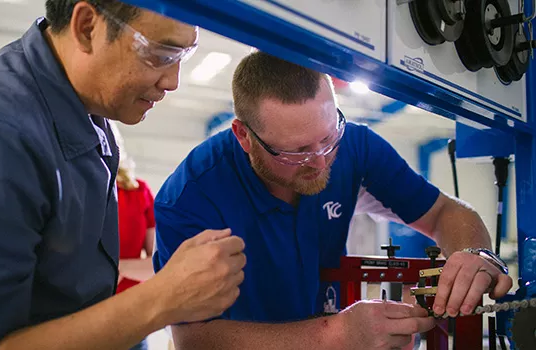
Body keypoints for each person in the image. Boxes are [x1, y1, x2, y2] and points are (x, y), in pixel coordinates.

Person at [0, 1, 247, 350]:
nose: (172, 81)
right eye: (160, 54)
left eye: (182, 56)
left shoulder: (90, 114)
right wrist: (162, 300)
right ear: (86, 27)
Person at [153, 51, 513, 349]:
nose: (321, 160)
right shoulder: (191, 196)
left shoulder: (356, 147)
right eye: (296, 152)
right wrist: (336, 334)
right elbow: (192, 338)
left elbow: (443, 213)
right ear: (244, 136)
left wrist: (472, 253)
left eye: (328, 137)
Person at [112, 125, 157, 350]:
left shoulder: (140, 192)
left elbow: (159, 264)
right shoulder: (78, 191)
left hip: (130, 315)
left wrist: (118, 268)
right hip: (82, 312)